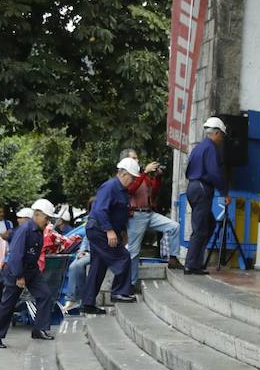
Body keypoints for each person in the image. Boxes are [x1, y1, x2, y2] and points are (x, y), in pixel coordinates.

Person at [0, 199, 59, 347]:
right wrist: (19, 276)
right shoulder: (25, 230)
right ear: (37, 215)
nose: (48, 222)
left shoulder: (39, 231)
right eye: (46, 218)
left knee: (45, 295)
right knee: (8, 303)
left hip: (32, 270)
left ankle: (40, 329)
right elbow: (16, 255)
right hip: (17, 271)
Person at [82, 160, 139, 313]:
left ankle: (88, 303)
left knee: (98, 266)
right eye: (132, 177)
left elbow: (120, 213)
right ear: (123, 173)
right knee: (123, 257)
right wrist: (109, 231)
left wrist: (122, 232)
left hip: (102, 230)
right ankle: (119, 292)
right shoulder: (110, 187)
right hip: (100, 230)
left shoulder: (121, 191)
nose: (133, 181)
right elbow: (100, 210)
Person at [121, 149, 180, 293]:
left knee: (174, 226)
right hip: (136, 215)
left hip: (149, 213)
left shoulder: (142, 176)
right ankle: (132, 283)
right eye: (133, 158)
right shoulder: (128, 177)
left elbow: (153, 191)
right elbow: (131, 190)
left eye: (137, 158)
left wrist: (158, 177)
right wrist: (145, 173)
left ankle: (173, 258)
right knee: (134, 251)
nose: (137, 161)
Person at [183, 116, 227, 275]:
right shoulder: (210, 149)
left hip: (193, 186)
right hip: (202, 188)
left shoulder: (199, 147)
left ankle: (196, 261)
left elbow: (187, 169)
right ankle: (191, 265)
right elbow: (215, 173)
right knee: (200, 228)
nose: (222, 138)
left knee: (209, 224)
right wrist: (224, 192)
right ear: (215, 133)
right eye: (221, 134)